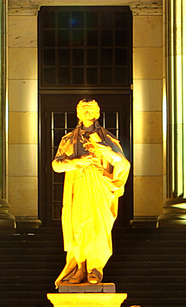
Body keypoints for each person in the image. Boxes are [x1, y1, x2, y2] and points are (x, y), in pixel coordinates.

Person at [52, 99, 130, 286]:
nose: (87, 113)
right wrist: (75, 162)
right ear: (78, 113)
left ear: (97, 113)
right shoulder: (68, 139)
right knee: (78, 227)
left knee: (98, 227)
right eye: (84, 110)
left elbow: (122, 163)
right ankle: (80, 267)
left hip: (99, 187)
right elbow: (56, 165)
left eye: (91, 110)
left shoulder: (108, 139)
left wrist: (106, 152)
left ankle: (95, 267)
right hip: (77, 188)